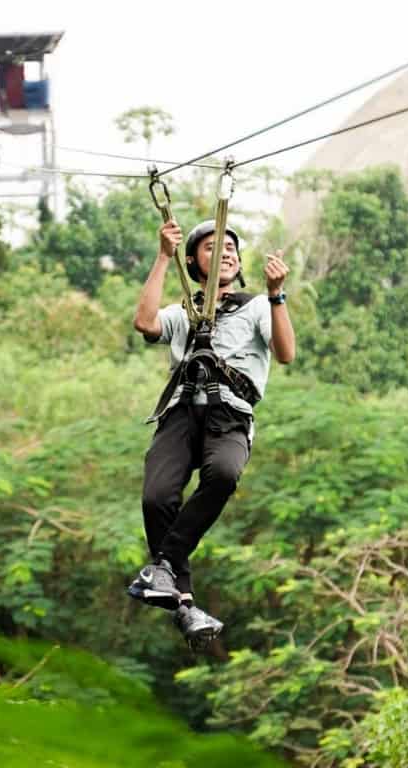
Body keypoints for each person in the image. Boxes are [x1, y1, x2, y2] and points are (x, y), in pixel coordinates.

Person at [127, 217, 295, 650]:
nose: (225, 253)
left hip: (230, 415)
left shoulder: (256, 307)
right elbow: (144, 322)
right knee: (156, 497)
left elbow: (285, 353)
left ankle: (164, 566)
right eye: (212, 248)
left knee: (223, 472)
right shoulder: (183, 311)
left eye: (231, 249)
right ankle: (183, 602)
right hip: (180, 414)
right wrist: (162, 257)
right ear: (192, 262)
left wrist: (277, 295)